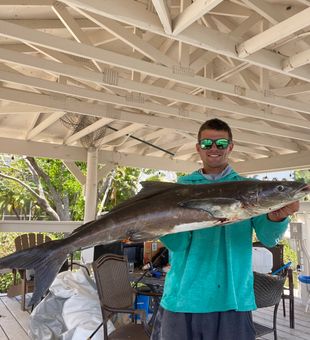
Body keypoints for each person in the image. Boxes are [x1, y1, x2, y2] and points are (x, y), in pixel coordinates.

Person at [151, 118, 299, 340]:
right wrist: (157, 226)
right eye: (207, 143)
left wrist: (278, 218)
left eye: (220, 143)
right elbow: (179, 245)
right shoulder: (181, 188)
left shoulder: (251, 190)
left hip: (232, 299)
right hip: (183, 298)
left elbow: (269, 238)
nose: (213, 149)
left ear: (230, 147)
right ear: (198, 148)